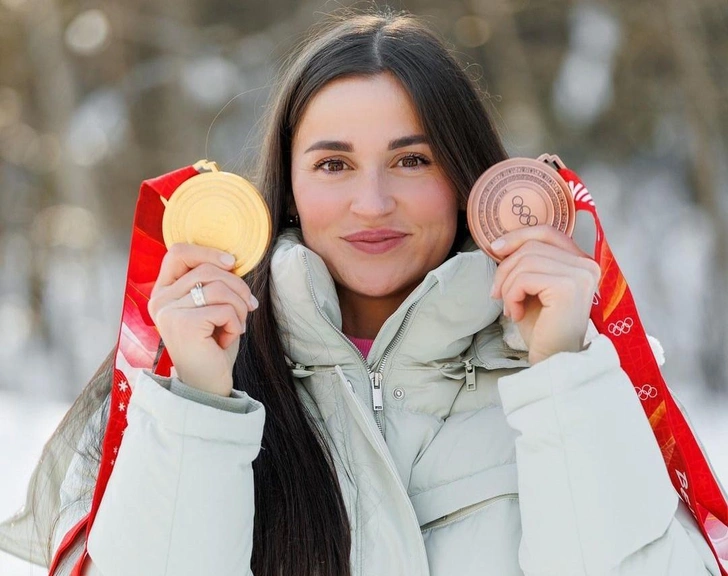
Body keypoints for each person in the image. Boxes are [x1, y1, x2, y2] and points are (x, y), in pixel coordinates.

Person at [0, 9, 723, 576]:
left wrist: (562, 368)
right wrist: (199, 398)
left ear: (472, 177)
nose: (372, 203)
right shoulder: (177, 387)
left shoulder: (578, 376)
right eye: (334, 164)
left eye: (412, 159)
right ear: (286, 187)